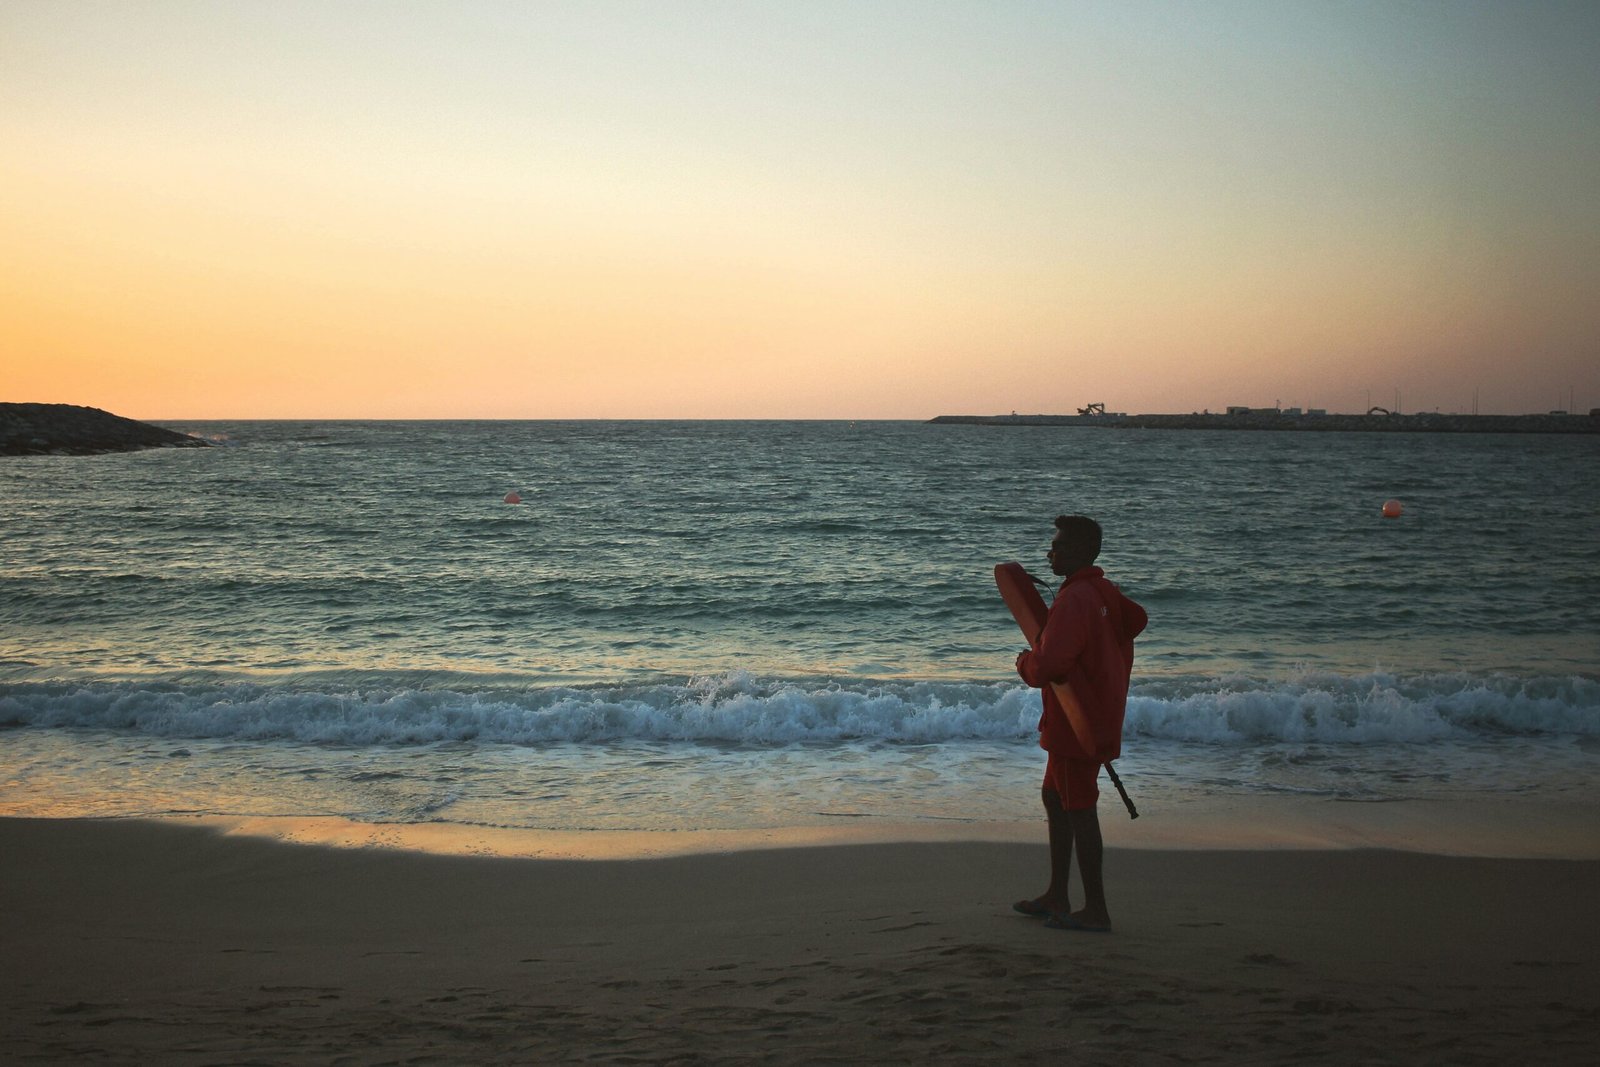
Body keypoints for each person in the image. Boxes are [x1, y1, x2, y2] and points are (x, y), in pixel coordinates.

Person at [1012, 515, 1147, 932]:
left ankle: (1096, 909)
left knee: (1079, 807)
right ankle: (1057, 894)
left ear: (1080, 552)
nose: (1049, 551)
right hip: (1091, 713)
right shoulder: (1104, 591)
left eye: (1058, 545)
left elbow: (1050, 664)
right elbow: (1134, 621)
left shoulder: (1075, 599)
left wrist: (1023, 662)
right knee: (1055, 798)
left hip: (1077, 720)